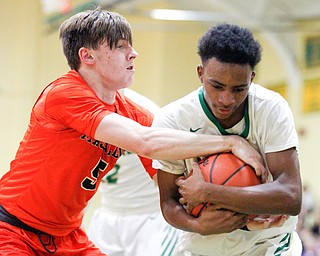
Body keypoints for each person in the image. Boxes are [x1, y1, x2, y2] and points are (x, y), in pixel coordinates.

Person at [0, 8, 266, 255]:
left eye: (131, 46)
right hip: (12, 230)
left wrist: (245, 217)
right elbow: (146, 142)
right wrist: (228, 142)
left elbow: (177, 177)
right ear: (87, 56)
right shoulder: (64, 94)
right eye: (120, 47)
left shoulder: (133, 112)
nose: (133, 53)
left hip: (66, 236)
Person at [152, 23, 303, 256]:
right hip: (205, 241)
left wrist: (208, 192)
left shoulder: (271, 108)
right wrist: (197, 225)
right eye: (217, 86)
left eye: (239, 89)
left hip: (267, 240)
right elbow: (168, 202)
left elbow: (291, 196)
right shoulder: (173, 119)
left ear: (252, 78)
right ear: (200, 73)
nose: (226, 99)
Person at [87, 88, 180, 256]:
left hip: (148, 220)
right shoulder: (78, 106)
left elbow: (174, 166)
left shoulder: (146, 112)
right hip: (107, 216)